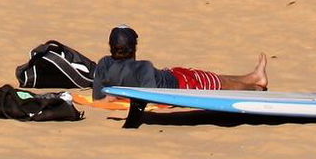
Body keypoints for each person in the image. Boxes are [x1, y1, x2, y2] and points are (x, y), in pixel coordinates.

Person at [92, 25, 268, 100]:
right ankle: (256, 87)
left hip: (174, 75)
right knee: (217, 83)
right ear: (134, 48)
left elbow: (97, 97)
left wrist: (113, 96)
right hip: (182, 83)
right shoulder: (143, 67)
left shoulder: (103, 64)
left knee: (215, 78)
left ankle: (253, 77)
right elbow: (152, 97)